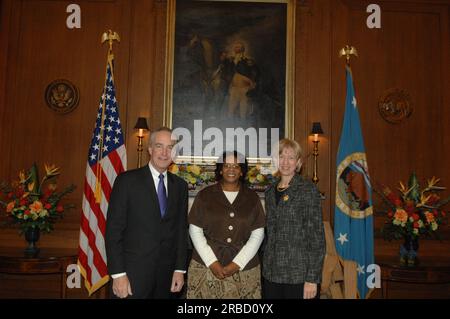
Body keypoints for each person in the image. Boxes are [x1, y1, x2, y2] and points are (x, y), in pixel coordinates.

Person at [105, 127, 189, 299]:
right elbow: (113, 231)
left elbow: (181, 230)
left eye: (170, 147)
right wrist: (118, 274)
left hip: (166, 279)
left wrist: (179, 270)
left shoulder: (180, 186)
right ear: (150, 149)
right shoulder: (127, 181)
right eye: (159, 146)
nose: (165, 153)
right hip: (131, 276)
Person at [187, 151, 265, 298]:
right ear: (220, 170)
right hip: (205, 266)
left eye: (236, 166)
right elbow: (195, 230)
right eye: (227, 165)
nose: (231, 169)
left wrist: (237, 263)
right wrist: (212, 262)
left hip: (245, 269)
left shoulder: (252, 198)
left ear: (242, 171)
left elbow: (258, 234)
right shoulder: (204, 195)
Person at [262, 138, 325, 299]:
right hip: (271, 273)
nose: (285, 162)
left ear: (298, 162)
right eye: (281, 156)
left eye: (291, 158)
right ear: (276, 160)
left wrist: (312, 279)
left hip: (299, 275)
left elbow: (316, 239)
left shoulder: (307, 190)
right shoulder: (269, 191)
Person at [225, 41, 259, 119]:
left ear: (243, 49)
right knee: (231, 110)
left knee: (243, 111)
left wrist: (253, 84)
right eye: (235, 47)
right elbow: (228, 73)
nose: (236, 48)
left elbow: (255, 72)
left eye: (239, 47)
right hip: (234, 88)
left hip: (245, 88)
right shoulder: (231, 60)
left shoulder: (247, 60)